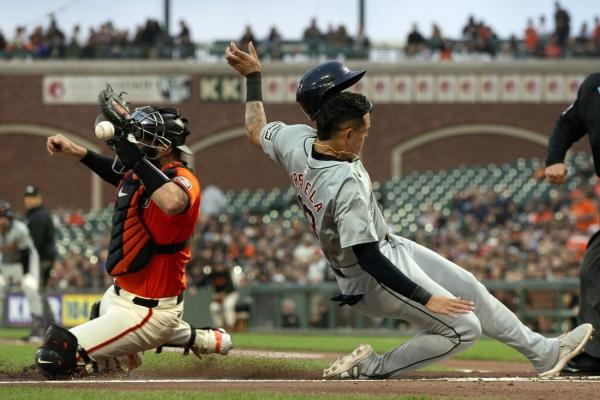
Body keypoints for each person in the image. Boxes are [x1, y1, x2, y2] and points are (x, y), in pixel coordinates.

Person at [225, 41, 593, 379]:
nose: (367, 132)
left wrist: (254, 78)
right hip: (368, 275)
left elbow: (255, 129)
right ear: (345, 131)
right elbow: (368, 256)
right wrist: (426, 297)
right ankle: (370, 368)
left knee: (469, 288)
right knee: (465, 327)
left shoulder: (295, 139)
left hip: (388, 245)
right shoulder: (344, 183)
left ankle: (543, 353)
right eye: (363, 129)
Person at [35, 102, 232, 378]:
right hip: (119, 296)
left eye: (143, 136)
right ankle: (197, 338)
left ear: (163, 146)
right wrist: (76, 150)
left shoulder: (184, 179)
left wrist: (135, 158)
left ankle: (131, 354)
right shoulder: (143, 173)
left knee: (55, 355)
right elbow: (118, 173)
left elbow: (173, 202)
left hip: (148, 311)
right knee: (97, 312)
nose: (136, 141)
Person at [544, 72, 600, 375]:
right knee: (594, 267)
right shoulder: (594, 87)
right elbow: (567, 124)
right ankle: (595, 352)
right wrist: (554, 158)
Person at [0, 201, 46, 341]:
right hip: (5, 262)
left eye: (4, 217)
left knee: (31, 290)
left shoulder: (20, 229)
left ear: (10, 218)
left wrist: (26, 275)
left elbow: (25, 252)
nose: (2, 221)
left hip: (25, 262)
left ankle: (37, 329)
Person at [197, 260, 239, 331]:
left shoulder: (226, 273)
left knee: (227, 306)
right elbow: (203, 281)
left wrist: (224, 294)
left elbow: (231, 287)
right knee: (213, 308)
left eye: (220, 265)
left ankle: (230, 326)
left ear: (223, 266)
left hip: (230, 294)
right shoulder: (213, 274)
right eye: (217, 265)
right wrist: (195, 287)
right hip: (219, 295)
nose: (218, 267)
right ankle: (220, 328)